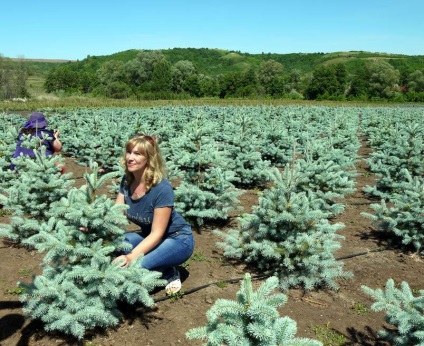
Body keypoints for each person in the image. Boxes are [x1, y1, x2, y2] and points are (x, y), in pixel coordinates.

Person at [113, 134, 194, 295]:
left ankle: (168, 273)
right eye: (129, 152)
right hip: (148, 236)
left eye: (137, 154)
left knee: (136, 266)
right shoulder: (127, 181)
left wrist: (131, 257)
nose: (130, 157)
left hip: (177, 239)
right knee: (117, 243)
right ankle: (162, 264)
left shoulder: (161, 188)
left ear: (149, 159)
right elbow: (115, 214)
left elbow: (157, 233)